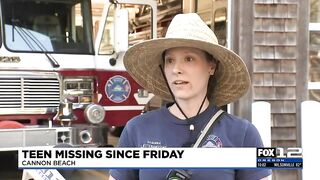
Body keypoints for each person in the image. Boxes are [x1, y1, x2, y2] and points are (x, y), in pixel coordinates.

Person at [109, 13, 271, 180]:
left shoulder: (243, 134)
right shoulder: (137, 130)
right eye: (170, 60)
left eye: (189, 59)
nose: (176, 69)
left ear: (212, 66)